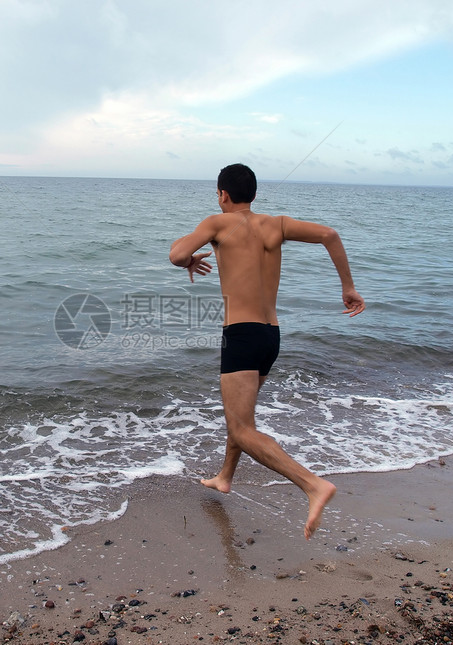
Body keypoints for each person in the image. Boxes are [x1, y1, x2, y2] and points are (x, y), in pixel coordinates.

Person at [169, 163, 365, 540]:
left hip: (241, 334)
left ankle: (312, 485)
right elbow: (329, 234)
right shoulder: (276, 224)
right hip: (270, 335)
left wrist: (191, 260)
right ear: (254, 195)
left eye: (219, 194)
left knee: (241, 428)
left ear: (222, 194)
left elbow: (177, 254)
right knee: (241, 417)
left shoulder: (217, 222)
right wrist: (348, 288)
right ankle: (225, 476)